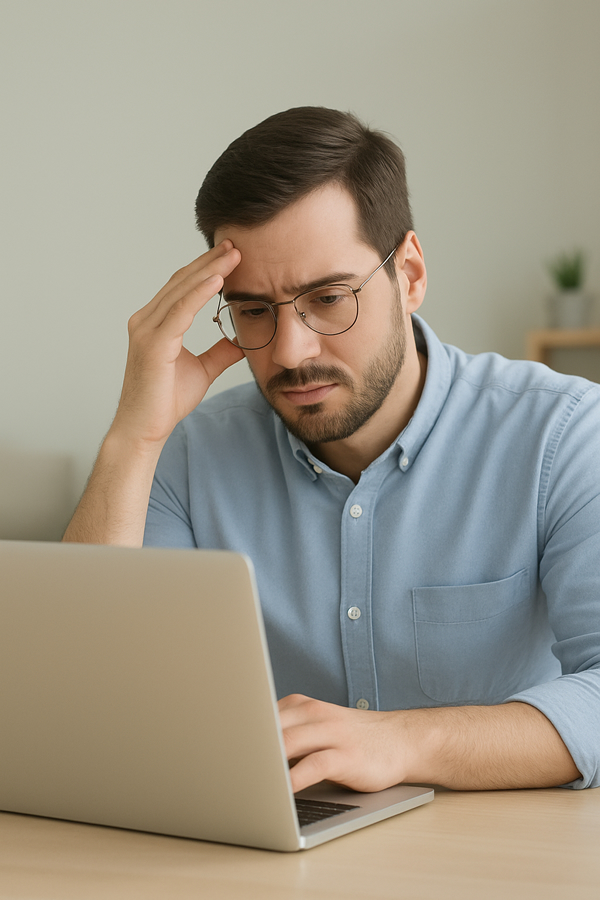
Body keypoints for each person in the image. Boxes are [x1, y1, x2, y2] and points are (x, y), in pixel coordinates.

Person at [64, 106, 600, 793]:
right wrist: (133, 438)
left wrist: (404, 742)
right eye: (253, 309)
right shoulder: (189, 455)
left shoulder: (562, 435)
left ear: (409, 275)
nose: (291, 352)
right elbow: (83, 699)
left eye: (327, 298)